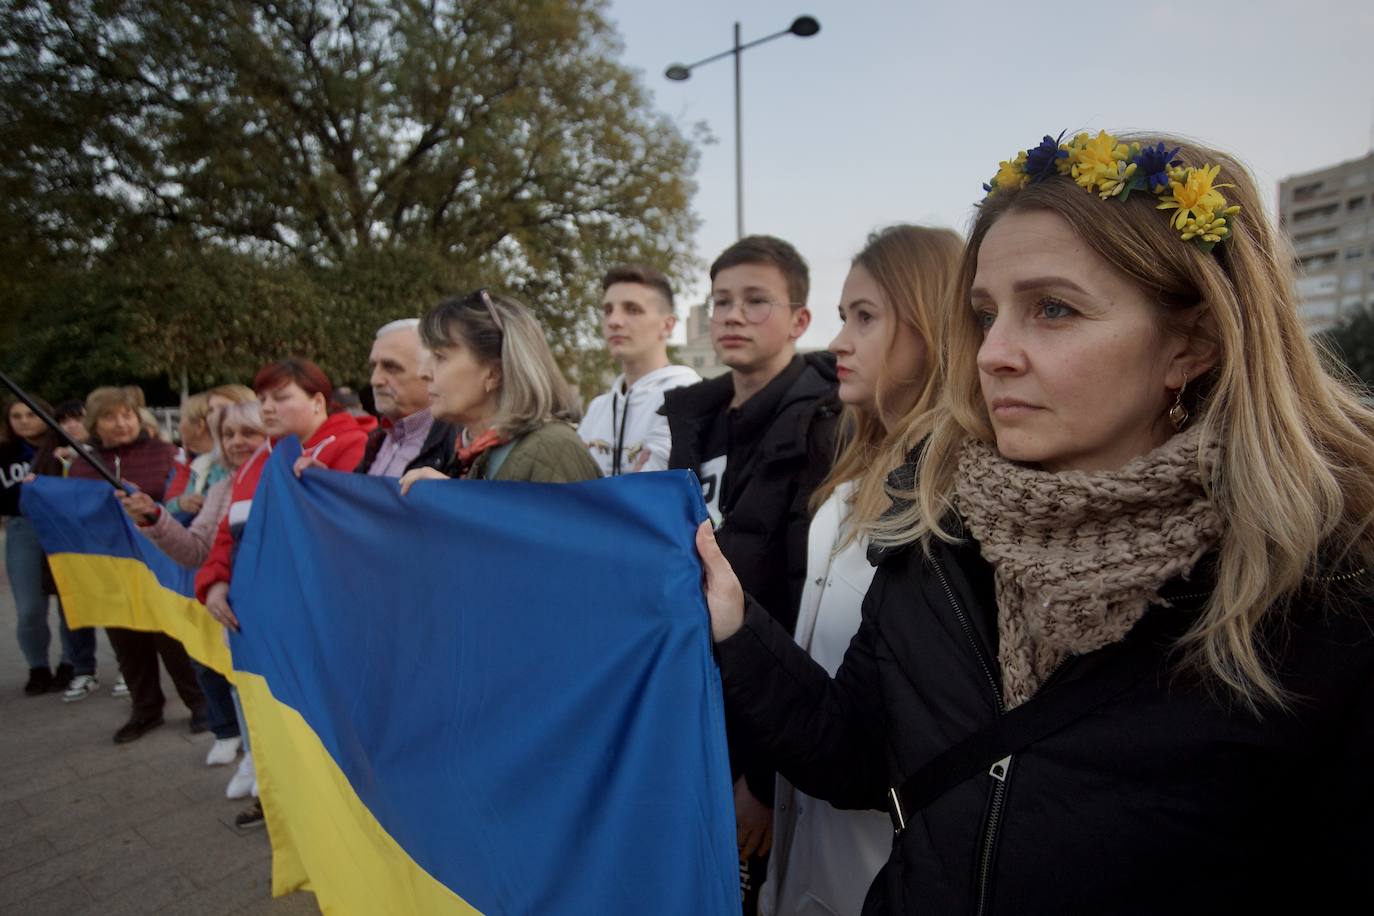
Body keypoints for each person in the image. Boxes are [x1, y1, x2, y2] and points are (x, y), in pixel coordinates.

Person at [698, 131, 1374, 914]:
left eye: (1053, 309)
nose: (994, 354)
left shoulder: (1325, 589)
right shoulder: (938, 536)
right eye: (986, 314)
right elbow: (856, 756)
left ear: (1192, 340)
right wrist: (737, 630)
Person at [760, 225, 962, 916]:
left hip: (880, 866)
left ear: (931, 325)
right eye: (843, 317)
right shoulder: (858, 460)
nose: (839, 342)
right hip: (805, 839)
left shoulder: (956, 495)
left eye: (865, 317)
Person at [661, 235, 840, 908]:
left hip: (758, 731)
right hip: (689, 709)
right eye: (722, 301)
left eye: (756, 301)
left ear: (799, 320)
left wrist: (764, 780)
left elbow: (799, 609)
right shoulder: (696, 420)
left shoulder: (823, 424)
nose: (732, 315)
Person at [196, 358, 369, 829]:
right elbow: (231, 535)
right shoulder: (264, 460)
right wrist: (214, 581)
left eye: (281, 397)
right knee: (279, 725)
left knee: (324, 731)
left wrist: (320, 490)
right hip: (264, 626)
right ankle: (289, 804)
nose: (268, 408)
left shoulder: (352, 446)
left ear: (317, 401)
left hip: (321, 629)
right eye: (264, 398)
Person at [119, 401, 269, 768]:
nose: (236, 442)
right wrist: (155, 517)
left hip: (278, 622)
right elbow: (194, 550)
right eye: (229, 434)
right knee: (244, 697)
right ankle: (260, 780)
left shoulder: (292, 481)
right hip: (237, 624)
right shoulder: (221, 491)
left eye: (249, 432)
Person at [68, 386, 207, 741]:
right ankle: (145, 708)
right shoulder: (83, 464)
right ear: (95, 424)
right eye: (111, 417)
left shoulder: (164, 453)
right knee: (126, 642)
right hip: (113, 567)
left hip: (157, 561)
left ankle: (201, 705)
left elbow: (176, 496)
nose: (121, 423)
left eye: (127, 415)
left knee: (172, 636)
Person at [398, 289, 600, 491]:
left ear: (494, 373)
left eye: (440, 357)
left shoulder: (554, 451)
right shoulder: (469, 454)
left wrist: (457, 503)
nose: (423, 372)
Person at [1, 396, 88, 695]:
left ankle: (70, 662)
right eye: (16, 416)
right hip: (23, 526)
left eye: (30, 414)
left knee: (70, 599)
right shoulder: (5, 453)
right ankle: (37, 666)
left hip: (64, 525)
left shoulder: (66, 446)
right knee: (29, 606)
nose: (24, 420)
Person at [578, 265, 699, 475]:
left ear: (667, 325)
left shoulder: (689, 394)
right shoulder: (598, 408)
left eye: (632, 309)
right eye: (608, 310)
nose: (614, 321)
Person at [354, 319, 454, 477]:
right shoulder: (378, 439)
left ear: (431, 372)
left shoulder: (457, 443)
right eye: (374, 366)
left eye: (391, 367)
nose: (375, 380)